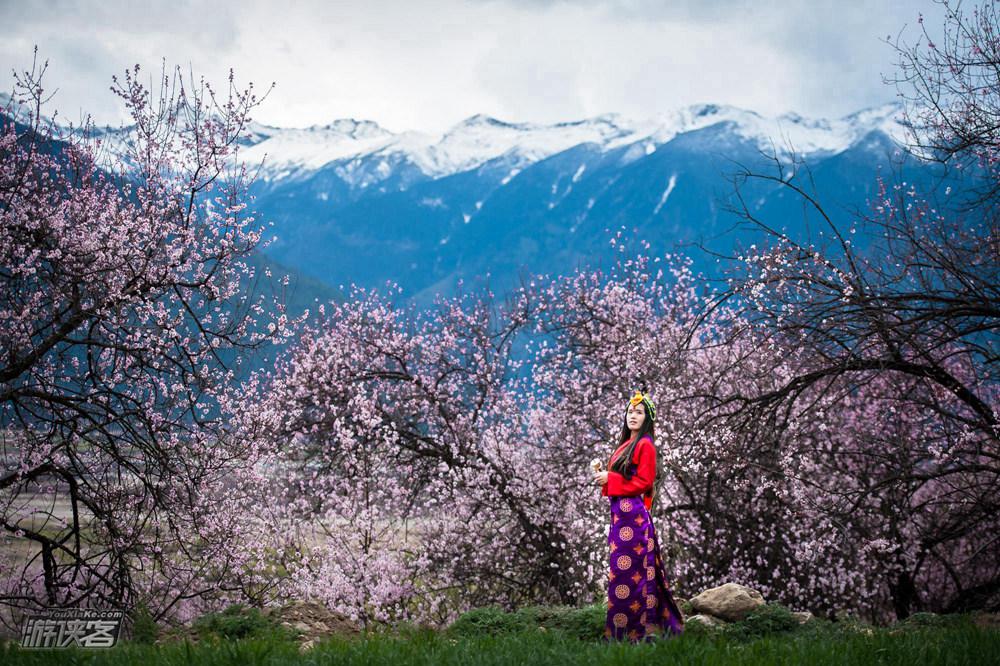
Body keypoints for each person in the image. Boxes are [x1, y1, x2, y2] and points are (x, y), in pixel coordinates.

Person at [593, 389, 684, 642]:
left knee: (629, 575)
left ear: (648, 418)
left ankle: (633, 633)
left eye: (639, 412)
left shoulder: (645, 445)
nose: (633, 415)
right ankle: (621, 632)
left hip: (633, 519)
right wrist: (607, 477)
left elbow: (644, 481)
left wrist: (610, 478)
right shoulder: (627, 444)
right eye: (630, 411)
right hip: (620, 518)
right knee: (620, 573)